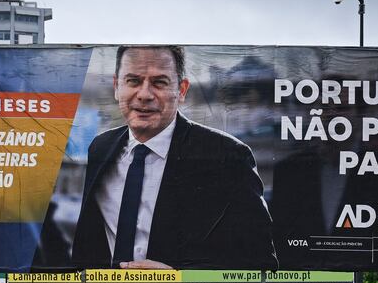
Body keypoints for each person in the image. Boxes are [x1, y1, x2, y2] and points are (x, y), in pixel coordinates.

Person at [72, 45, 277, 270]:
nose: (144, 95)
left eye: (159, 82)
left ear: (181, 90)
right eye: (133, 81)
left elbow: (260, 262)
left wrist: (178, 280)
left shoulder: (228, 156)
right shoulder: (101, 148)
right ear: (116, 87)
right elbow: (88, 243)